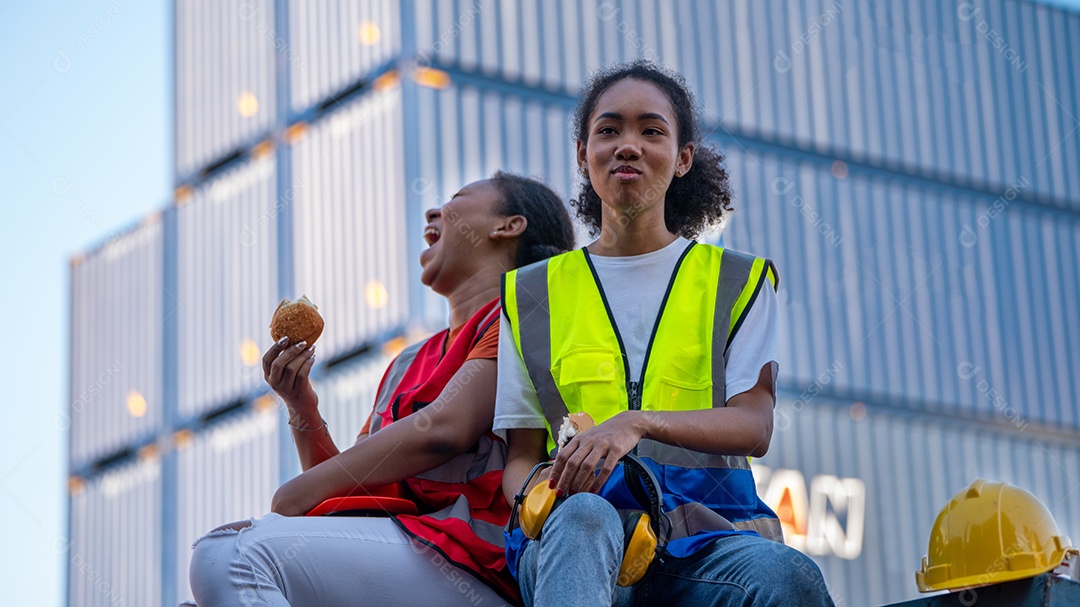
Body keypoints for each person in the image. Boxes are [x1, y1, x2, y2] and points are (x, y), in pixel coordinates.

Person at [496, 61, 836, 606]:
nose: (627, 145)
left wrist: (637, 422)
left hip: (707, 542)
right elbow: (519, 454)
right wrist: (539, 498)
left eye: (651, 130)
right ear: (583, 155)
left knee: (787, 576)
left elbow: (754, 424)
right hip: (576, 546)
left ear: (682, 159)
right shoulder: (528, 294)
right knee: (584, 516)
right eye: (608, 130)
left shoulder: (739, 281)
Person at [187, 172, 575, 607]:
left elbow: (445, 428)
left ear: (508, 226)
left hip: (476, 565)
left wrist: (294, 494)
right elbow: (350, 488)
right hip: (402, 552)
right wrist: (302, 406)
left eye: (457, 197)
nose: (432, 211)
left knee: (230, 556)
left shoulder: (519, 317)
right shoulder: (408, 361)